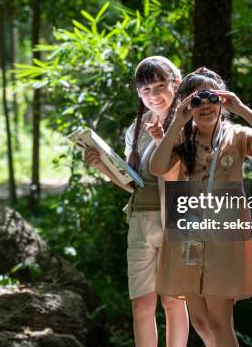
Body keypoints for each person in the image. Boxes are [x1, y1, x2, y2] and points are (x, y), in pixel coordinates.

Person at [149, 67, 252, 347]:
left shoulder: (235, 136)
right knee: (201, 323)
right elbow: (157, 167)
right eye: (196, 99)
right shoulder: (182, 138)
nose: (205, 105)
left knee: (220, 322)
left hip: (222, 236)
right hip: (188, 235)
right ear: (187, 104)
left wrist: (241, 108)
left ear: (222, 100)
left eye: (211, 97)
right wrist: (177, 122)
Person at [85, 56, 189, 347]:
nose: (154, 96)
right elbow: (133, 185)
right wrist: (103, 166)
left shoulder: (187, 124)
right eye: (145, 90)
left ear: (176, 83)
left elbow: (180, 177)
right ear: (137, 93)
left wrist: (161, 141)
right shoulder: (135, 129)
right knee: (141, 305)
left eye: (160, 86)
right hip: (140, 221)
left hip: (176, 221)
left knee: (173, 302)